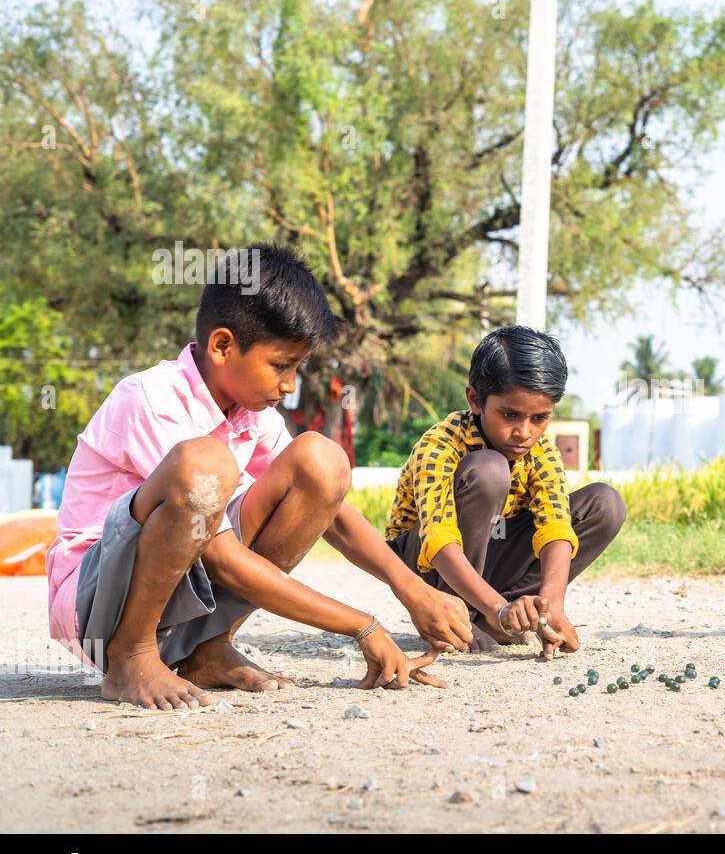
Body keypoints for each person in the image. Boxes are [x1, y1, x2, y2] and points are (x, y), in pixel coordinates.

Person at [46, 243, 474, 709]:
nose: (290, 385)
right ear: (223, 346)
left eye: (297, 367)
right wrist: (361, 625)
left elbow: (330, 511)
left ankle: (207, 649)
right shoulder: (152, 398)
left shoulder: (250, 412)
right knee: (205, 467)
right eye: (280, 365)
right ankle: (132, 656)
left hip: (177, 586)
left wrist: (412, 589)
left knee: (320, 461)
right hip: (96, 603)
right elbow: (224, 559)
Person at [385, 325, 626, 661]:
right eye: (510, 415)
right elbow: (439, 541)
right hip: (429, 565)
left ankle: (505, 617)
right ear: (475, 400)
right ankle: (462, 617)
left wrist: (550, 606)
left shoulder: (541, 452)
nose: (524, 433)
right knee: (488, 470)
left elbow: (554, 523)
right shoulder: (440, 444)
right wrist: (499, 607)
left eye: (539, 418)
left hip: (491, 559)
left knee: (605, 504)